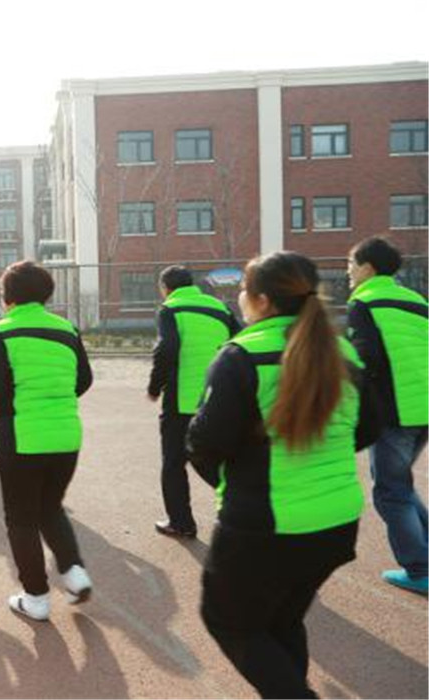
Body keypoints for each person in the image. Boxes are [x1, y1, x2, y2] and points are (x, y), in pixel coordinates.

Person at [187, 251, 380, 699]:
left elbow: (204, 443)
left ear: (262, 301)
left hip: (266, 524)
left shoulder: (241, 355)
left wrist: (236, 485)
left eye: (244, 290)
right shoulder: (342, 352)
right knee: (280, 621)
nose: (240, 297)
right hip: (336, 520)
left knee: (229, 621)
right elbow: (368, 428)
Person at [0, 261, 94, 621]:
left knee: (21, 519)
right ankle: (74, 572)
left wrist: (8, 400)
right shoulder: (67, 329)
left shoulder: (1, 332)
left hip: (22, 435)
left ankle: (36, 597)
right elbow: (83, 380)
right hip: (66, 434)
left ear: (8, 297)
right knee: (50, 507)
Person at [346, 236, 428, 595]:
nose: (348, 272)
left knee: (391, 493)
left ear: (367, 267)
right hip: (423, 406)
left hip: (394, 411)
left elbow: (365, 358)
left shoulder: (364, 302)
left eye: (351, 264)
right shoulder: (417, 301)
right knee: (400, 485)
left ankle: (419, 569)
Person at [147, 265, 240, 538]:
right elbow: (240, 342)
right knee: (219, 460)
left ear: (165, 288)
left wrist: (155, 386)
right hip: (220, 397)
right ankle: (244, 508)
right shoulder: (220, 308)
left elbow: (167, 348)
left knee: (174, 463)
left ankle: (181, 522)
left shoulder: (170, 309)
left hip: (183, 400)